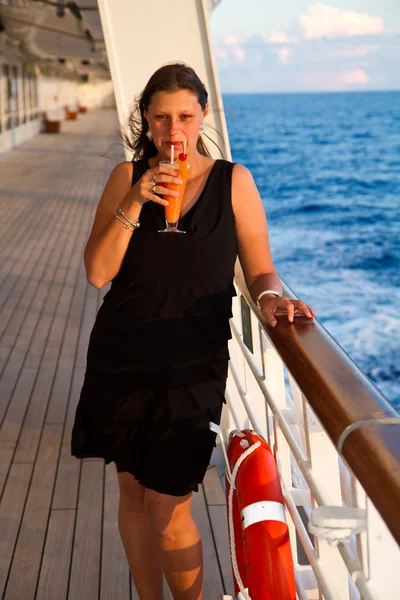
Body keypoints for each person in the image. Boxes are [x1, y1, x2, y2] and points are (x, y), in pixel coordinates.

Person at [71, 63, 315, 600]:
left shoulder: (235, 181)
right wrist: (136, 199)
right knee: (132, 492)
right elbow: (96, 272)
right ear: (147, 121)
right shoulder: (125, 176)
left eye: (184, 116)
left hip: (192, 361)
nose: (173, 130)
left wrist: (275, 299)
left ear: (203, 115)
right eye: (161, 118)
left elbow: (260, 270)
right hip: (122, 353)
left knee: (168, 504)